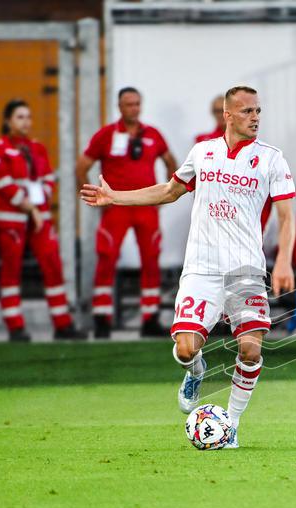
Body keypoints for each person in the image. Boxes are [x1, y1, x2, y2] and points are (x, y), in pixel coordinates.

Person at [81, 85, 296, 449]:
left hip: (245, 269)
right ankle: (195, 371)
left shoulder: (272, 159)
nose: (255, 117)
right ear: (228, 115)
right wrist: (115, 197)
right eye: (247, 112)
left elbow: (286, 217)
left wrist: (285, 261)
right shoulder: (204, 152)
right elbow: (168, 191)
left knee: (251, 349)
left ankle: (231, 422)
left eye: (258, 111)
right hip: (202, 268)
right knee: (185, 347)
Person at [77, 87, 178, 339]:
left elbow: (170, 162)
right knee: (107, 257)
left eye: (136, 104)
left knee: (151, 258)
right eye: (127, 104)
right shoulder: (106, 135)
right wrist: (93, 196)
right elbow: (82, 166)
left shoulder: (153, 135)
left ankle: (150, 318)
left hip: (145, 207)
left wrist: (168, 193)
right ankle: (102, 318)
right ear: (119, 107)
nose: (133, 108)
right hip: (116, 208)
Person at [0, 100, 84, 342]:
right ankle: (15, 326)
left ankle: (63, 324)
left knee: (52, 265)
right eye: (20, 117)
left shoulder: (37, 148)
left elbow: (48, 177)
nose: (25, 122)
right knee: (11, 270)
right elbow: (3, 183)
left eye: (28, 117)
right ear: (7, 120)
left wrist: (42, 198)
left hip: (39, 217)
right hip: (12, 219)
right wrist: (30, 206)